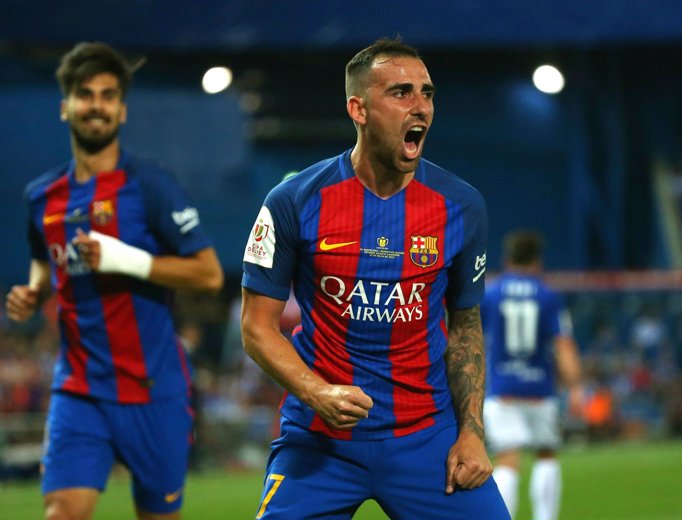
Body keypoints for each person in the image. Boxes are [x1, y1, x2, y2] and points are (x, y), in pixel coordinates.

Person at [241, 37, 509, 520]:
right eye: (401, 92)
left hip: (426, 438)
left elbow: (466, 327)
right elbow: (256, 327)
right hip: (319, 441)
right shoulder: (293, 201)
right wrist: (316, 392)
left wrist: (472, 432)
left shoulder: (462, 206)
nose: (420, 106)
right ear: (358, 109)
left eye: (427, 93)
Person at [5, 42, 224, 520]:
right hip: (80, 389)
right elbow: (44, 256)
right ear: (66, 107)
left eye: (108, 95)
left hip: (155, 391)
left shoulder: (150, 185)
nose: (97, 105)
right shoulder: (42, 196)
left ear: (122, 110)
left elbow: (208, 273)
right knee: (62, 513)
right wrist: (34, 289)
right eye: (86, 94)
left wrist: (127, 259)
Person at [480, 230, 584, 520]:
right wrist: (575, 387)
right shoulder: (548, 295)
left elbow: (470, 337)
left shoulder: (490, 292)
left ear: (507, 258)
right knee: (547, 452)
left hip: (502, 388)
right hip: (540, 389)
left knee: (507, 458)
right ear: (537, 260)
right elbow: (563, 344)